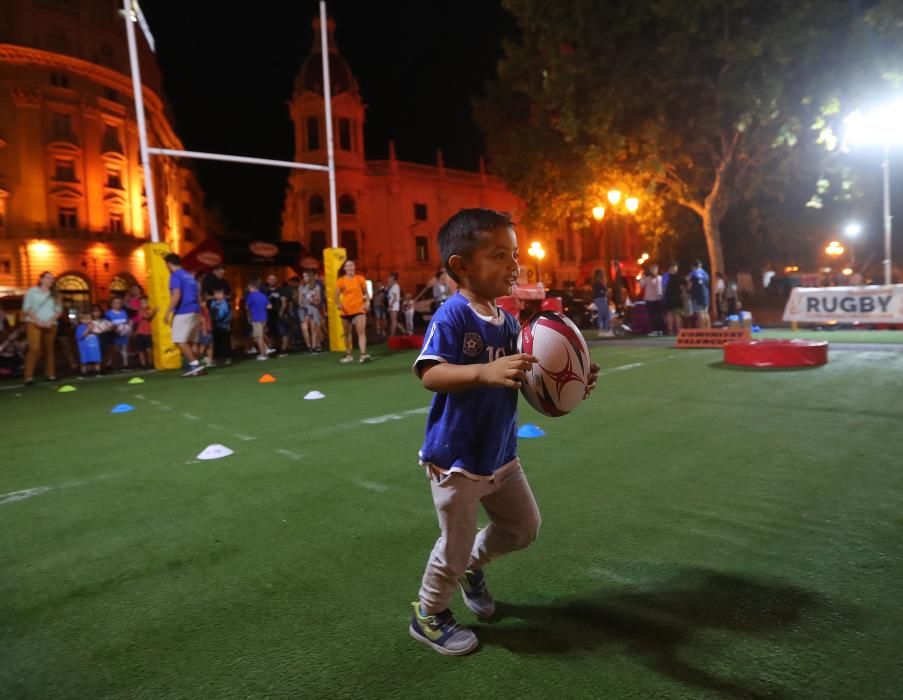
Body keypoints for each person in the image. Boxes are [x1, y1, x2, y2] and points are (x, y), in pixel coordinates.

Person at [408, 208, 598, 656]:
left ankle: (473, 565)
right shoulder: (452, 314)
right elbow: (430, 374)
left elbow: (529, 378)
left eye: (514, 253)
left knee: (523, 528)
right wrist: (482, 372)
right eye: (499, 254)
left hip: (501, 455)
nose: (513, 265)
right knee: (451, 547)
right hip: (456, 460)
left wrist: (568, 378)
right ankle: (429, 614)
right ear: (462, 266)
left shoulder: (510, 322)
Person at [164, 253, 205, 377]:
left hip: (184, 310)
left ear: (169, 264)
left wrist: (168, 311)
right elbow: (198, 295)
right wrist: (200, 312)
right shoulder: (189, 276)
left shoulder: (175, 276)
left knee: (180, 340)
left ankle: (194, 365)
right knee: (192, 341)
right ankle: (196, 366)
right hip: (195, 310)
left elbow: (177, 294)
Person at [22, 271, 62, 384]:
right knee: (34, 348)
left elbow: (59, 310)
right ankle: (28, 376)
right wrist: (38, 321)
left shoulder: (55, 293)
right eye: (48, 278)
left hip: (51, 324)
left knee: (49, 350)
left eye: (52, 278)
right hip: (33, 322)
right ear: (41, 279)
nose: (51, 280)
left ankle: (50, 374)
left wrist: (50, 321)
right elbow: (27, 308)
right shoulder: (32, 291)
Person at [335, 260, 371, 363]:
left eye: (352, 265)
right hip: (345, 311)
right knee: (347, 334)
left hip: (359, 309)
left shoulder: (360, 278)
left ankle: (363, 354)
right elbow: (336, 296)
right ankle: (348, 354)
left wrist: (367, 303)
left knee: (361, 331)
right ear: (344, 269)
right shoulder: (341, 280)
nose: (350, 267)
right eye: (348, 266)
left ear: (354, 267)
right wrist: (338, 305)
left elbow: (366, 293)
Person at [262, 273, 288, 357]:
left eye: (273, 279)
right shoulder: (265, 291)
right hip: (268, 315)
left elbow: (284, 302)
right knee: (270, 333)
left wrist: (281, 312)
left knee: (283, 332)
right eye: (270, 279)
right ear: (267, 280)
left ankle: (283, 350)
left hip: (278, 314)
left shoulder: (281, 290)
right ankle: (273, 350)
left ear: (276, 280)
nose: (271, 280)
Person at [245, 280, 271, 361]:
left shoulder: (251, 296)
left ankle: (263, 354)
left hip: (256, 318)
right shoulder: (263, 295)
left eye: (249, 288)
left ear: (253, 287)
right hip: (264, 317)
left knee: (258, 337)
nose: (248, 289)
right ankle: (266, 350)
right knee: (260, 335)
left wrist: (250, 314)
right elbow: (269, 306)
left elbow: (247, 307)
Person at [298, 270, 322, 353]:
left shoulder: (316, 286)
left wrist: (314, 301)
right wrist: (303, 304)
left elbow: (319, 300)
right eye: (303, 276)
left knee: (313, 328)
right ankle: (308, 345)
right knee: (304, 328)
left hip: (313, 308)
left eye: (306, 276)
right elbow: (300, 300)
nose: (304, 278)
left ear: (310, 277)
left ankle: (314, 346)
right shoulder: (301, 287)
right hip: (304, 309)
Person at [104, 296, 130, 370]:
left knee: (124, 350)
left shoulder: (124, 313)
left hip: (124, 335)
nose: (117, 304)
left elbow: (127, 322)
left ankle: (125, 365)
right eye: (115, 303)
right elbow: (107, 324)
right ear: (111, 304)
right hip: (113, 336)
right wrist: (114, 328)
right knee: (113, 350)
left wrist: (125, 329)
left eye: (119, 303)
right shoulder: (108, 314)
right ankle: (109, 365)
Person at [640, 263, 664, 336]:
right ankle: (654, 330)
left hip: (658, 299)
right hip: (649, 299)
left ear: (657, 270)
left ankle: (660, 330)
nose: (653, 270)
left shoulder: (660, 278)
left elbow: (659, 288)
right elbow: (641, 285)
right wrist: (641, 278)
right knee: (652, 316)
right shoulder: (647, 278)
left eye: (654, 269)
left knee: (658, 315)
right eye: (652, 269)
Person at [210, 288, 233, 365]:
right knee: (217, 342)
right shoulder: (213, 303)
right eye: (216, 294)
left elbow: (224, 314)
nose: (218, 295)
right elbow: (211, 312)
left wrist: (216, 318)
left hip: (224, 326)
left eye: (220, 294)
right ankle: (218, 357)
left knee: (225, 342)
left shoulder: (225, 303)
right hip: (215, 326)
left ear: (223, 295)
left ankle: (227, 357)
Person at [75, 312, 102, 377]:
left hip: (94, 347)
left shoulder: (94, 325)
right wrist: (88, 329)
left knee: (96, 360)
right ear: (80, 320)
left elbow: (100, 331)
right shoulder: (80, 327)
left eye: (88, 318)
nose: (87, 320)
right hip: (85, 348)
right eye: (84, 318)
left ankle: (97, 372)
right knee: (84, 361)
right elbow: (80, 337)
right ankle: (84, 373)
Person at [134, 297, 156, 369]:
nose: (143, 304)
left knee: (149, 349)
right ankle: (143, 364)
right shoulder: (140, 311)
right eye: (141, 303)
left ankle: (150, 364)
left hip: (148, 333)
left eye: (145, 302)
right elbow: (147, 317)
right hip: (140, 333)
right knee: (141, 350)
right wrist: (154, 311)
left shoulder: (149, 309)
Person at [689, 259, 711, 328]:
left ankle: (701, 331)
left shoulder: (693, 273)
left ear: (692, 266)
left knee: (699, 314)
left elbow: (689, 285)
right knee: (705, 313)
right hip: (706, 295)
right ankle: (708, 330)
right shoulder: (705, 274)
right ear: (700, 265)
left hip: (697, 296)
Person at [663, 262, 684, 335]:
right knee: (674, 314)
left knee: (672, 314)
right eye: (675, 267)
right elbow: (682, 288)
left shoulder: (666, 276)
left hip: (671, 297)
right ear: (671, 268)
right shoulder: (677, 277)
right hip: (674, 298)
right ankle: (675, 330)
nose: (676, 269)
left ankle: (672, 330)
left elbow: (664, 288)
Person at [591, 269, 611, 338]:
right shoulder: (598, 283)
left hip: (599, 299)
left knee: (602, 315)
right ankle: (603, 331)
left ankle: (603, 331)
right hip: (601, 299)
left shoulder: (595, 283)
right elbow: (605, 291)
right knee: (604, 315)